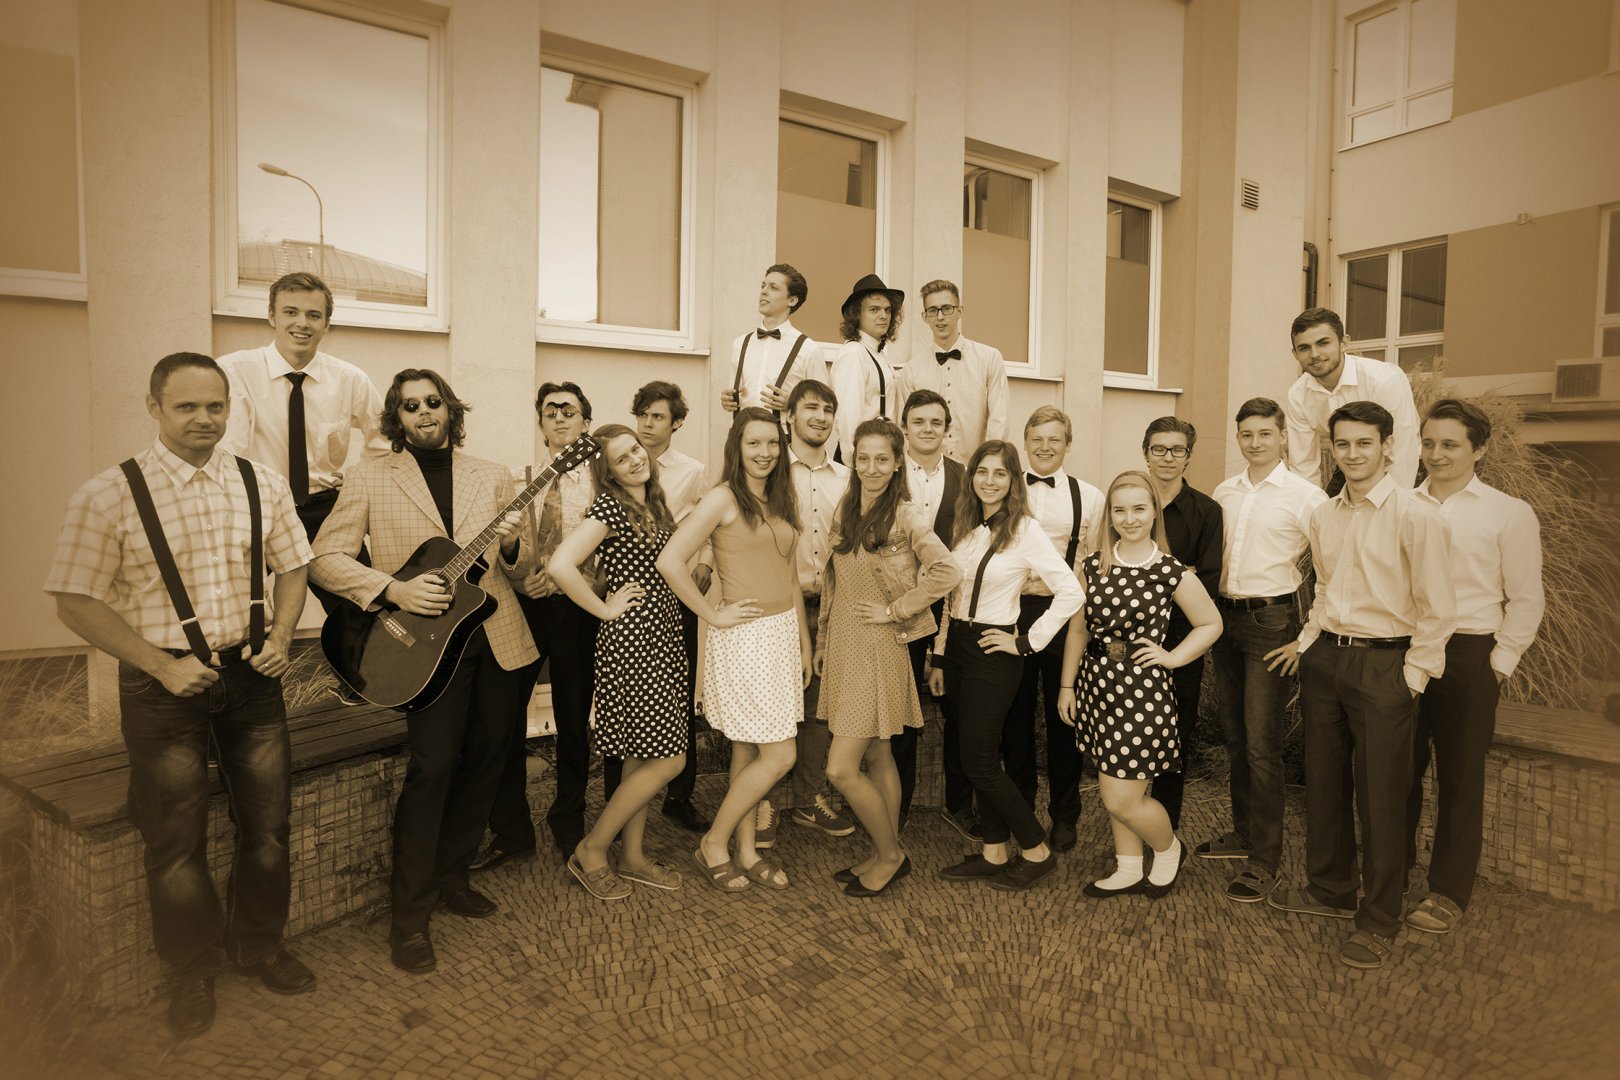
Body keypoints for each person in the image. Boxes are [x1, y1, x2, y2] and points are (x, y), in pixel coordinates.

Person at [47, 353, 315, 1036]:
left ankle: (259, 946)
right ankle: (191, 969)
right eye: (187, 406)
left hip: (251, 679)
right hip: (161, 686)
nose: (203, 419)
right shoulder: (108, 494)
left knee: (269, 828)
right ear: (154, 407)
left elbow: (294, 567)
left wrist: (283, 636)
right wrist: (159, 666)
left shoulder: (261, 482)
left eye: (215, 406)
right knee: (174, 841)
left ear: (230, 408)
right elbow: (74, 601)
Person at [310, 368, 536, 976]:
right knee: (433, 769)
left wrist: (512, 546)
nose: (424, 413)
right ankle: (408, 917)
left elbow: (521, 568)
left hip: (496, 640)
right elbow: (324, 559)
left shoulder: (492, 474)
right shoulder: (368, 476)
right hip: (425, 650)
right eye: (410, 406)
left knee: (486, 763)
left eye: (433, 402)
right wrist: (393, 589)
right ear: (397, 418)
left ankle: (452, 877)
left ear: (451, 410)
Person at [1265, 401, 1456, 971]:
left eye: (1364, 443)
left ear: (1387, 447)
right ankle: (1331, 889)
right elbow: (1324, 589)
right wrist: (1308, 644)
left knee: (1381, 796)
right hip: (1327, 660)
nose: (1352, 454)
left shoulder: (1416, 515)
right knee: (1323, 785)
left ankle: (1379, 917)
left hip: (1385, 667)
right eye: (1342, 444)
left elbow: (1438, 608)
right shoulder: (1325, 515)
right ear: (1333, 449)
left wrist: (1412, 678)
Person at [658, 408, 811, 892]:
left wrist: (804, 643)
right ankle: (714, 842)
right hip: (746, 639)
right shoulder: (723, 497)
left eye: (772, 443)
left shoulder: (780, 498)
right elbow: (670, 560)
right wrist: (711, 613)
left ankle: (746, 851)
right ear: (737, 448)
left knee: (749, 748)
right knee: (780, 756)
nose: (765, 452)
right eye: (753, 443)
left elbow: (789, 576)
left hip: (781, 635)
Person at [1406, 399, 1544, 935]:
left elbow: (1526, 598)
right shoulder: (1402, 504)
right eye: (1428, 443)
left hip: (1469, 655)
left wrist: (1499, 664)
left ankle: (1447, 891)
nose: (1436, 454)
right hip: (1408, 649)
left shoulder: (1508, 513)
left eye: (1450, 444)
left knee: (1460, 778)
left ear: (1479, 449)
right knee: (1398, 772)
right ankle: (1392, 872)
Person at [1056, 471, 1222, 900]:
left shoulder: (1169, 570)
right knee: (1112, 777)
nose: (1129, 518)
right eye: (1120, 510)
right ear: (1110, 515)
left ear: (1153, 514)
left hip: (1141, 691)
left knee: (1120, 797)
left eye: (1138, 509)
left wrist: (1173, 657)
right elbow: (1078, 630)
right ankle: (1128, 866)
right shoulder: (1092, 565)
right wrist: (1067, 686)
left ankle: (1168, 849)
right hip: (1096, 684)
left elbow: (1211, 623)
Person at [814, 419, 961, 896]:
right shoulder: (847, 507)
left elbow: (947, 571)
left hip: (879, 646)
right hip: (844, 643)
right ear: (853, 461)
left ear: (898, 462)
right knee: (878, 755)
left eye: (882, 458)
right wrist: (822, 641)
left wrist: (897, 610)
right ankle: (886, 851)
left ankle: (891, 856)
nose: (872, 467)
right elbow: (835, 581)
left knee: (840, 768)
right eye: (864, 458)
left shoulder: (906, 515)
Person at [546, 425, 691, 900]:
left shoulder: (654, 503)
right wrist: (605, 609)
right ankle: (591, 849)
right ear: (607, 472)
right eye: (621, 458)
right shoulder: (609, 506)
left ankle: (631, 856)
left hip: (662, 637)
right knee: (669, 759)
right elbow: (560, 564)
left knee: (641, 756)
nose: (634, 460)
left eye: (636, 450)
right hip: (633, 642)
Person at [934, 441, 1081, 891]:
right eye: (982, 471)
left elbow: (1071, 592)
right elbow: (952, 597)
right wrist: (940, 653)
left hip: (994, 653)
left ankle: (1036, 850)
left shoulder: (1025, 530)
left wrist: (1027, 643)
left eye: (1000, 473)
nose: (989, 480)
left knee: (980, 761)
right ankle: (994, 851)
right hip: (958, 648)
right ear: (971, 477)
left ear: (1013, 480)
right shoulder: (965, 525)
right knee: (972, 755)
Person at [1202, 398, 1327, 904]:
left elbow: (1333, 571)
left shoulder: (1307, 497)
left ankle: (1265, 861)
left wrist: (1305, 637)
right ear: (1239, 438)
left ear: (1283, 437)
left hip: (1273, 625)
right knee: (1235, 737)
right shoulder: (1225, 491)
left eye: (1265, 433)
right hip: (1225, 620)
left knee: (1261, 744)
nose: (1255, 443)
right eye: (1246, 434)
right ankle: (1244, 833)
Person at [473, 382, 599, 871]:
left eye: (570, 410)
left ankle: (569, 824)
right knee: (505, 720)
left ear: (586, 421)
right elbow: (507, 551)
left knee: (573, 721)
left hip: (578, 612)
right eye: (551, 411)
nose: (560, 417)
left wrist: (571, 580)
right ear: (541, 423)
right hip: (525, 610)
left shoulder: (601, 481)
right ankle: (511, 830)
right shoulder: (520, 479)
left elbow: (611, 547)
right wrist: (520, 571)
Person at [217, 272, 388, 617]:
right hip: (257, 508)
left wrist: (358, 485)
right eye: (290, 312)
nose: (302, 323)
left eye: (313, 315)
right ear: (271, 316)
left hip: (323, 511)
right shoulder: (233, 371)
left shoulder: (349, 379)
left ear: (326, 324)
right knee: (235, 611)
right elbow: (226, 454)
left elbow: (384, 441)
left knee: (365, 609)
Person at [598, 381, 712, 833]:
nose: (647, 424)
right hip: (634, 613)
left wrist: (703, 565)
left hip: (675, 599)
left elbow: (705, 526)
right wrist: (605, 601)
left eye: (658, 416)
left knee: (676, 704)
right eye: (642, 414)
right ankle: (617, 805)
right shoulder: (613, 476)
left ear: (676, 423)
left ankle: (678, 798)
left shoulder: (692, 472)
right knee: (633, 717)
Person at [1003, 406, 1103, 853]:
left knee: (1065, 718)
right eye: (1037, 438)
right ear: (1025, 442)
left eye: (1054, 439)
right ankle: (1020, 810)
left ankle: (1065, 814)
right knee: (1015, 718)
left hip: (1065, 615)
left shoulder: (1091, 498)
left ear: (1068, 444)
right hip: (1012, 611)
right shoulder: (1005, 489)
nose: (1045, 447)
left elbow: (1095, 562)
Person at [1140, 417, 1223, 831]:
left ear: (1188, 456)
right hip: (1129, 638)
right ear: (1146, 453)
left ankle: (1165, 830)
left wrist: (1148, 582)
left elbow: (1206, 583)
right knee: (1128, 734)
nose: (1167, 457)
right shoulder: (1129, 504)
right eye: (1159, 448)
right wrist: (1176, 575)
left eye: (1177, 450)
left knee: (1174, 738)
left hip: (1181, 640)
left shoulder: (1207, 511)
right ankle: (1130, 816)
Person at [784, 380, 857, 842]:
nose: (821, 416)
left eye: (828, 409)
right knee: (773, 707)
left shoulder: (848, 479)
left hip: (830, 607)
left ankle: (807, 799)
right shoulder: (771, 470)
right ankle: (762, 803)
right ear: (789, 415)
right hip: (778, 607)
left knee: (818, 712)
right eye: (811, 407)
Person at [899, 389, 973, 837]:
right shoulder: (886, 471)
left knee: (959, 711)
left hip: (952, 608)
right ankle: (897, 805)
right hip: (898, 611)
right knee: (901, 713)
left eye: (936, 422)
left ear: (947, 430)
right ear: (904, 427)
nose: (927, 429)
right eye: (919, 421)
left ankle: (959, 804)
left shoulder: (967, 477)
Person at [1284, 307, 1421, 490]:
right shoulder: (1298, 396)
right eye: (1304, 348)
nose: (1314, 354)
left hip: (1403, 466)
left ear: (1344, 343)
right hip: (1352, 466)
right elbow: (1303, 466)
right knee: (1329, 507)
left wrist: (1394, 502)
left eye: (1323, 343)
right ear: (1295, 354)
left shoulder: (1384, 380)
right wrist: (1309, 505)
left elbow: (1404, 450)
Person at [892, 279, 1009, 462]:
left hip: (976, 469)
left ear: (959, 311)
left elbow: (999, 421)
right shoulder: (911, 371)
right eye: (933, 310)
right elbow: (907, 429)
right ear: (925, 317)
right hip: (929, 471)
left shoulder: (990, 359)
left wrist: (985, 466)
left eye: (947, 308)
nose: (940, 317)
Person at [721, 264, 826, 416]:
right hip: (742, 429)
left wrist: (794, 404)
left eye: (773, 288)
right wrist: (728, 401)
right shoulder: (740, 344)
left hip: (783, 430)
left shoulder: (808, 349)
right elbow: (735, 394)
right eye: (763, 286)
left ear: (792, 300)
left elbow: (823, 404)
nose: (764, 291)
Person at [829, 274, 906, 462]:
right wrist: (854, 462)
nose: (883, 316)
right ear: (857, 315)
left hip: (880, 453)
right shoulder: (854, 353)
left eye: (887, 310)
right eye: (874, 309)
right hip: (860, 458)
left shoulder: (879, 354)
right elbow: (848, 416)